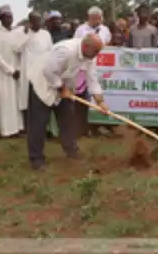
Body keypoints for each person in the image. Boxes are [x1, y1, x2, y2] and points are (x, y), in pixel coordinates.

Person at [26, 34, 109, 170]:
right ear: (85, 46)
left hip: (64, 86)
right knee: (38, 123)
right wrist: (60, 88)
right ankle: (36, 159)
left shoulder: (90, 56)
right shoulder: (66, 50)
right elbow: (48, 71)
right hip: (43, 84)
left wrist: (100, 102)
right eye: (95, 51)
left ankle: (71, 150)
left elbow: (92, 78)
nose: (97, 55)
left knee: (68, 119)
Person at [13, 11, 53, 125]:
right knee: (27, 98)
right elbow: (16, 48)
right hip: (28, 70)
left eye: (39, 20)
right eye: (35, 20)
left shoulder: (46, 34)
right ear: (30, 22)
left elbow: (50, 50)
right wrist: (25, 35)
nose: (38, 23)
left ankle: (42, 124)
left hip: (42, 70)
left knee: (41, 96)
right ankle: (28, 124)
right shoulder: (23, 33)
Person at [0, 5, 23, 137]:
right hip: (3, 73)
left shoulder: (17, 33)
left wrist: (18, 69)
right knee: (5, 101)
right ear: (0, 18)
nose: (9, 19)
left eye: (11, 16)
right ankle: (6, 130)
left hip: (17, 72)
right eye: (6, 17)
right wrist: (10, 70)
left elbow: (20, 51)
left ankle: (18, 128)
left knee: (16, 101)